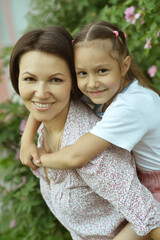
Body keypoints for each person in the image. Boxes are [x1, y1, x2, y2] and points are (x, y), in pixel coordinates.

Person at [11, 25, 160, 240]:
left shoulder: (116, 119)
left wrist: (38, 158)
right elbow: (40, 103)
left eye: (56, 79)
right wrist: (27, 139)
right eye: (29, 79)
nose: (41, 93)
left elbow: (75, 156)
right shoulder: (93, 92)